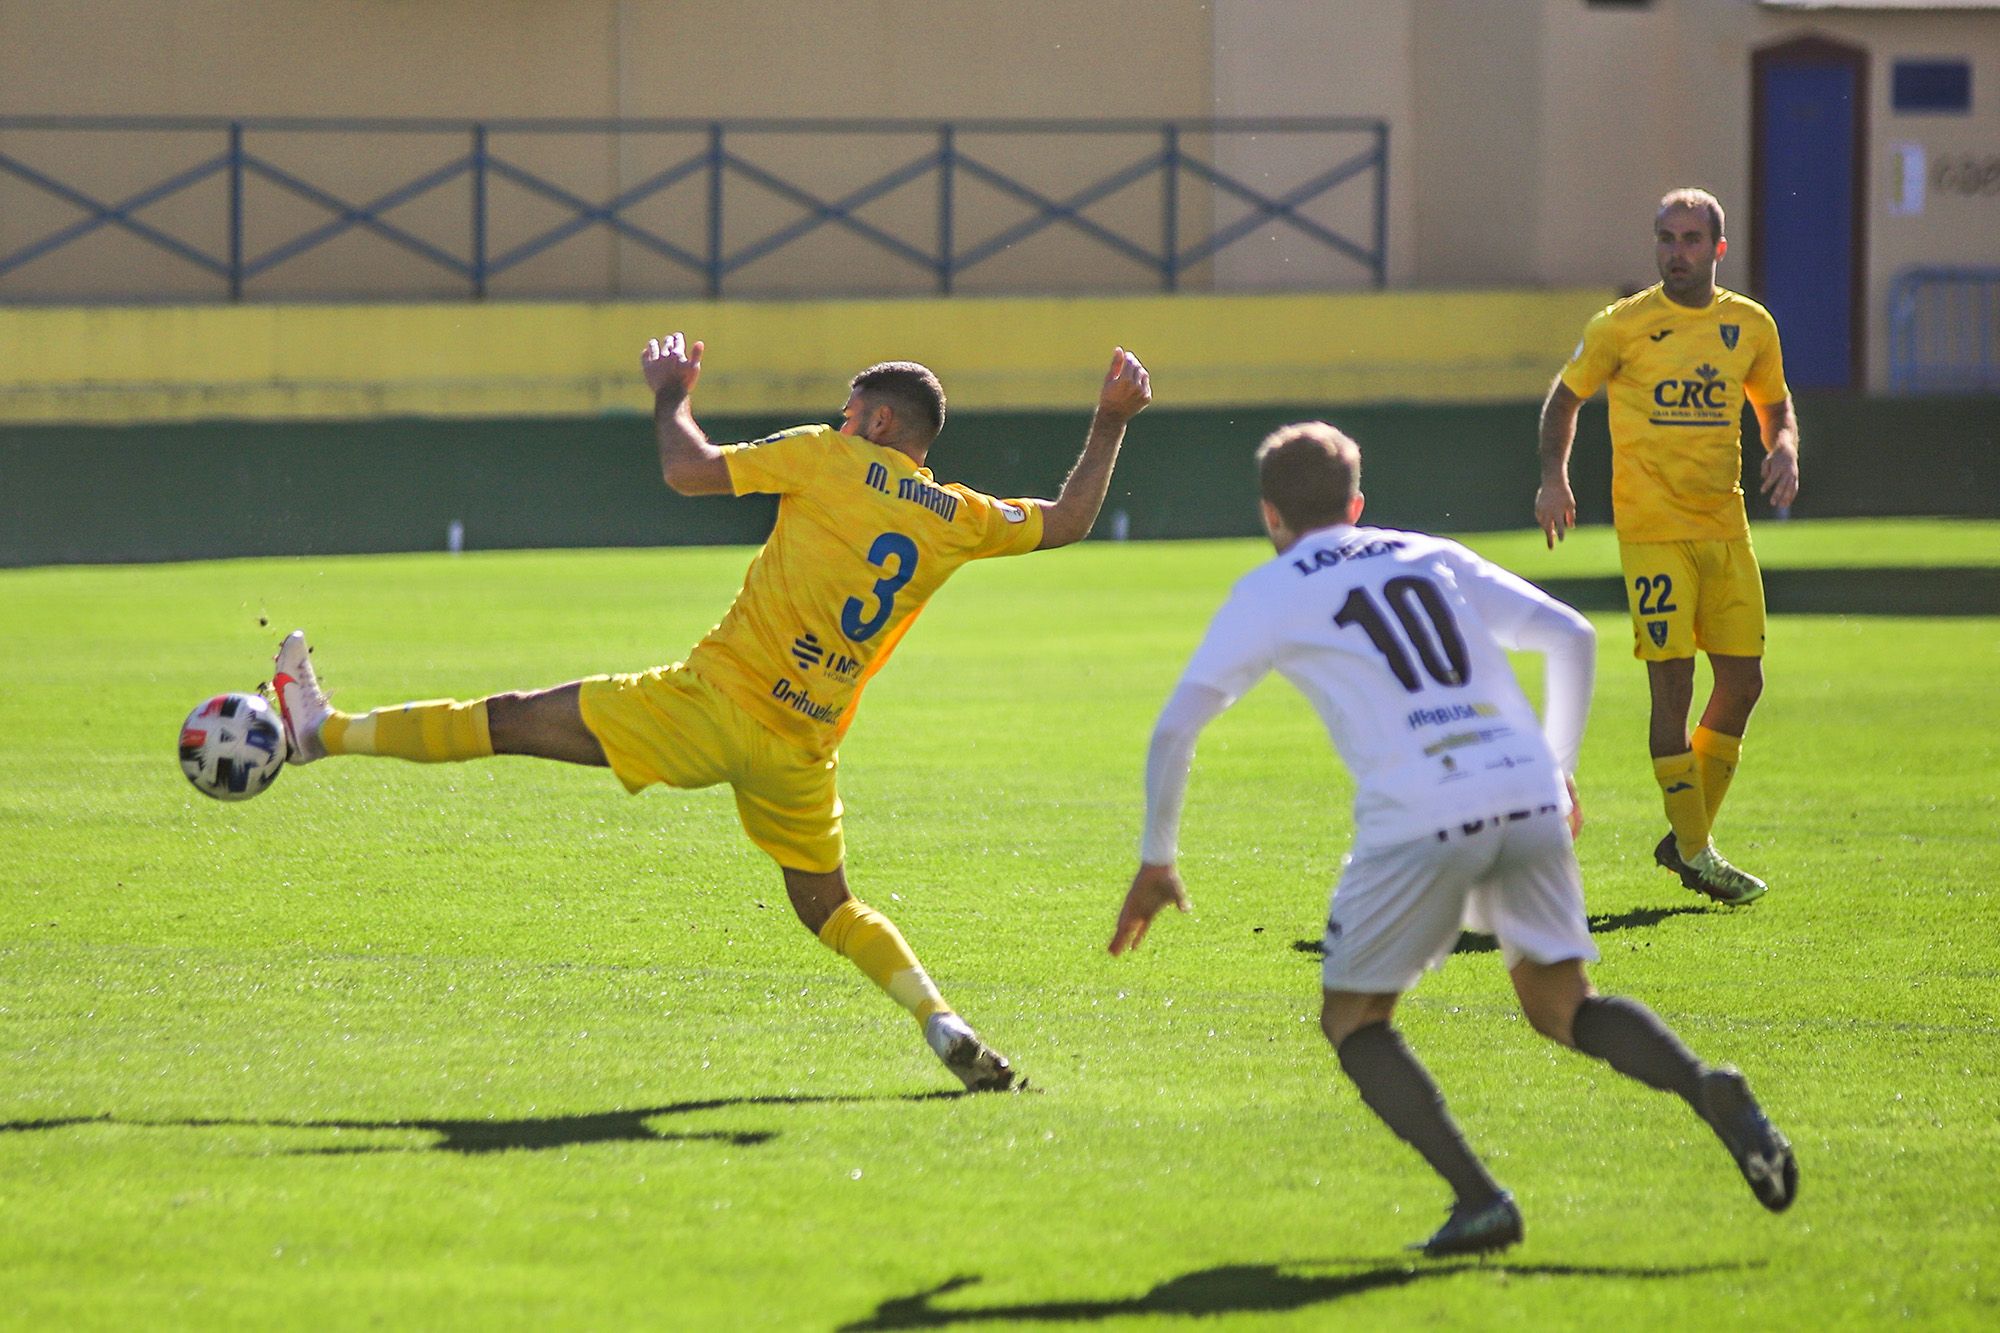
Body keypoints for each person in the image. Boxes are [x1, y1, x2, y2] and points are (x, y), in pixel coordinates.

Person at [270, 333, 1152, 1092]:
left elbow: (687, 469)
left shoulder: (828, 454)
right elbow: (1071, 517)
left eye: (851, 411)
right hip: (800, 749)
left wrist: (669, 397)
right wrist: (1112, 417)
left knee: (507, 719)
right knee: (830, 909)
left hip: (708, 705)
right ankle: (941, 1022)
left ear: (878, 423)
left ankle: (325, 732)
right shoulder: (959, 515)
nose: (842, 419)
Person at [1109, 422, 1795, 1257]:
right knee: (1561, 1005)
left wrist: (1156, 856)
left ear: (1270, 515)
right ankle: (1706, 1085)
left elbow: (1177, 726)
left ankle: (1481, 1200)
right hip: (1525, 790)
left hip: (1420, 809)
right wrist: (1559, 767)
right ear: (1357, 504)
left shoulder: (1270, 588)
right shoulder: (1425, 551)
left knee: (1354, 1016)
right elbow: (1571, 635)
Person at [1536, 187, 1801, 906]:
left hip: (1725, 524)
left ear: (1717, 249)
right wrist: (1554, 478)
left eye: (1689, 239)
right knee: (1673, 688)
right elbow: (1565, 397)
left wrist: (1784, 447)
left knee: (1745, 682)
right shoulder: (1623, 326)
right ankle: (1697, 849)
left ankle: (1686, 840)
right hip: (1652, 531)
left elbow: (1774, 403)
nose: (1675, 251)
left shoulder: (1748, 324)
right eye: (1664, 238)